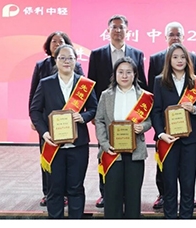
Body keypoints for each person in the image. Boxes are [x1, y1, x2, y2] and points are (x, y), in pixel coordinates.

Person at [29, 44, 97, 218]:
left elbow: (94, 108)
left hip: (78, 145)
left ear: (76, 61)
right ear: (56, 60)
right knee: (55, 189)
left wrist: (83, 117)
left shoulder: (84, 84)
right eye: (62, 58)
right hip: (53, 144)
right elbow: (35, 110)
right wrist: (44, 133)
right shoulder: (46, 84)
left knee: (76, 188)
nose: (67, 61)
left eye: (70, 58)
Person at [88, 14, 147, 208]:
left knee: (131, 177)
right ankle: (105, 193)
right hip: (107, 115)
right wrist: (95, 113)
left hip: (132, 119)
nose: (118, 30)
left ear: (127, 31)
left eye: (121, 27)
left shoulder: (137, 53)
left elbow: (143, 85)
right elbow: (92, 84)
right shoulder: (97, 54)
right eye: (114, 27)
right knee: (107, 156)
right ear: (108, 30)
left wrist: (143, 121)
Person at [148, 21, 196, 211]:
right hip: (167, 138)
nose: (179, 60)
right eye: (175, 57)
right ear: (169, 60)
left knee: (188, 183)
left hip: (191, 139)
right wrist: (161, 133)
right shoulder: (159, 81)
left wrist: (194, 109)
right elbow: (155, 110)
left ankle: (186, 217)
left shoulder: (195, 82)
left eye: (183, 57)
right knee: (169, 184)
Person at [28, 31, 84, 207]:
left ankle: (67, 196)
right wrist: (37, 123)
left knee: (74, 176)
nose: (58, 44)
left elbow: (88, 100)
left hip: (74, 132)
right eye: (54, 41)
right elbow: (34, 97)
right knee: (51, 167)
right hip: (50, 128)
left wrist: (83, 116)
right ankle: (49, 193)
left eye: (61, 41)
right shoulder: (42, 69)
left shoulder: (79, 73)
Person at [95, 57, 153, 218]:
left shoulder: (144, 97)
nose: (125, 76)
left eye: (129, 72)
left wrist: (143, 126)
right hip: (112, 152)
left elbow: (149, 120)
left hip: (136, 152)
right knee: (112, 194)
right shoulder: (106, 95)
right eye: (120, 72)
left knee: (133, 195)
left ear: (135, 74)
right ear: (115, 74)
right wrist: (104, 144)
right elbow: (99, 120)